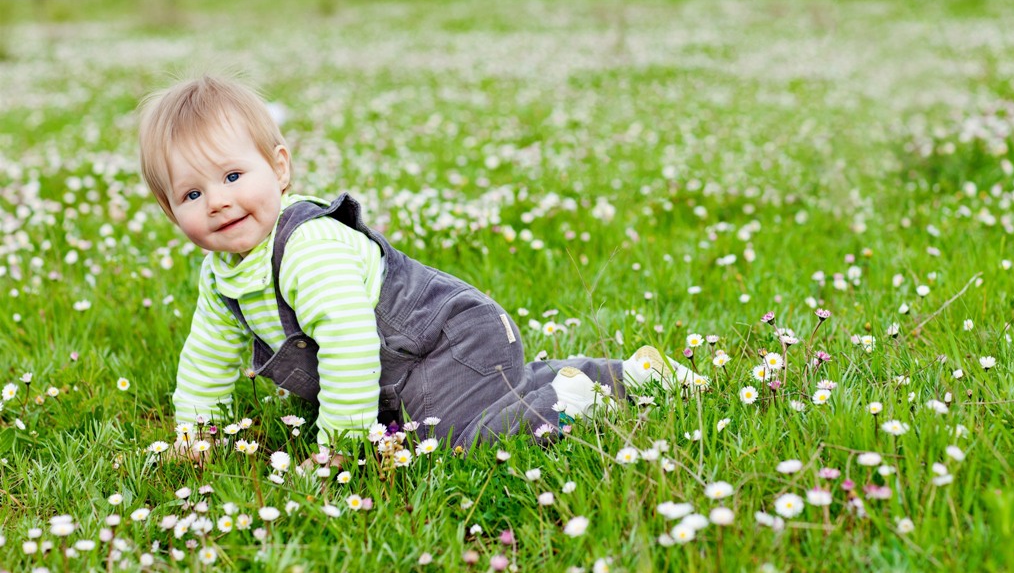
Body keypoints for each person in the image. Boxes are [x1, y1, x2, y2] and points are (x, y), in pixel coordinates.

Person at [138, 75, 694, 451]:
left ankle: (573, 398)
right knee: (447, 418)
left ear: (278, 168)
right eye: (191, 194)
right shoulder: (223, 276)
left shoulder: (306, 250)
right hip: (406, 369)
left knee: (456, 439)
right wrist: (193, 435)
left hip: (448, 342)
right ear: (170, 210)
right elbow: (207, 357)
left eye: (233, 176)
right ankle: (627, 374)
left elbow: (351, 343)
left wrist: (342, 446)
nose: (218, 201)